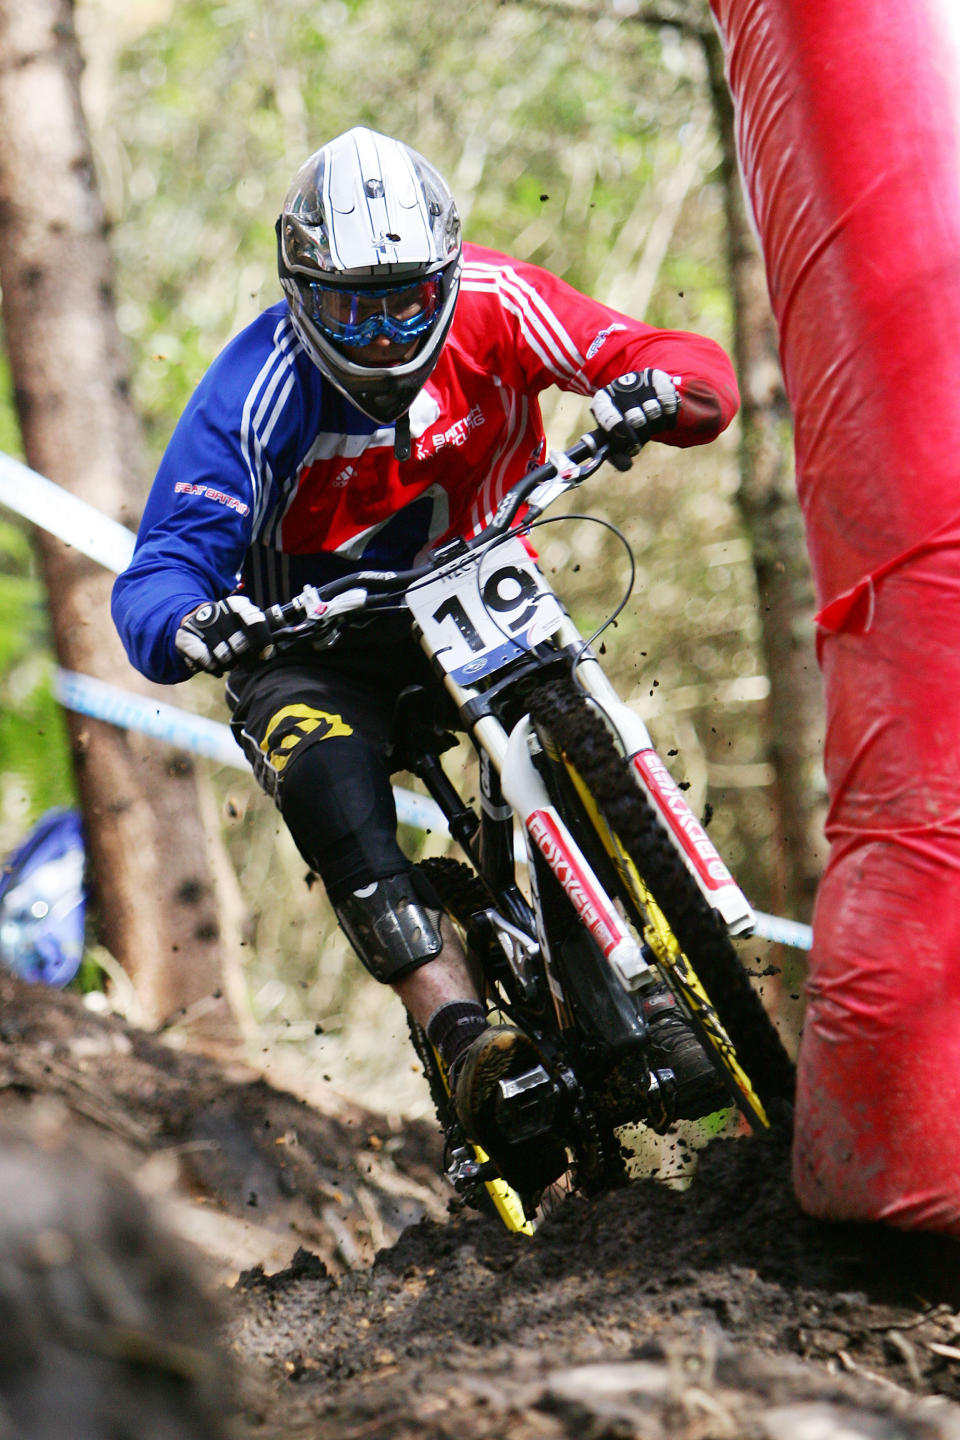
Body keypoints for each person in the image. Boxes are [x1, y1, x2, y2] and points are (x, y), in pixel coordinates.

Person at [112, 126, 740, 1194]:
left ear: (446, 272)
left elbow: (670, 360)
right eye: (354, 306)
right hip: (312, 642)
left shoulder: (499, 303)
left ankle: (647, 964)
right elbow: (160, 568)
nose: (386, 327)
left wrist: (658, 395)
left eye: (408, 297)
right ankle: (459, 1033)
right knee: (323, 770)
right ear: (301, 289)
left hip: (478, 591)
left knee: (557, 692)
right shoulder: (252, 392)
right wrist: (192, 625)